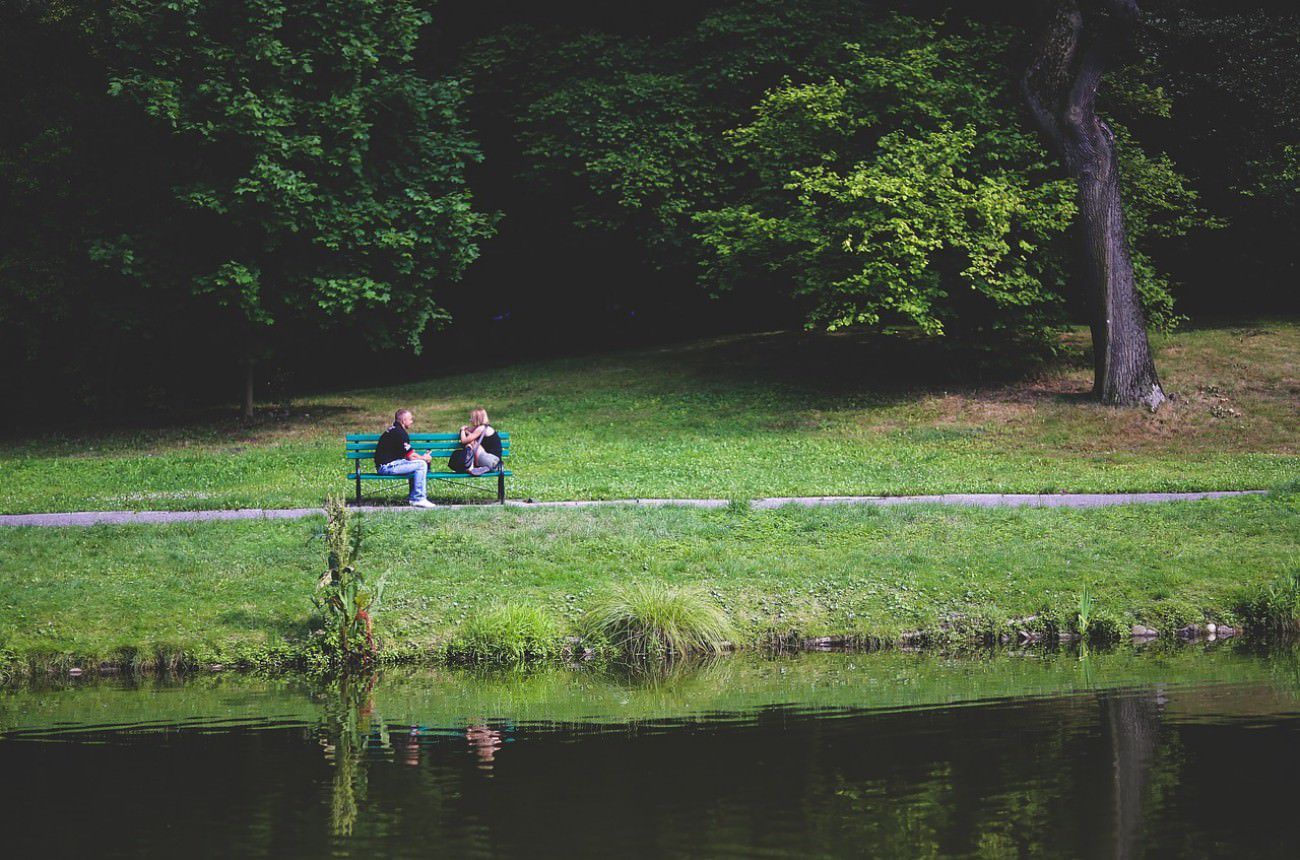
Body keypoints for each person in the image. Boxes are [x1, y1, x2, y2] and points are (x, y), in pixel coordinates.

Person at [374, 409, 436, 508]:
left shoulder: (394, 430)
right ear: (403, 420)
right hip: (387, 467)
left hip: (389, 465)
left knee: (418, 463)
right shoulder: (400, 433)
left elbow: (409, 453)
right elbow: (410, 457)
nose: (412, 421)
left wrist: (420, 457)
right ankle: (419, 498)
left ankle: (413, 498)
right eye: (410, 419)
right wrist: (424, 458)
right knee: (421, 465)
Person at [459, 407, 502, 477]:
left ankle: (471, 467)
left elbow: (464, 441)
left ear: (477, 419)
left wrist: (462, 430)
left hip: (491, 460)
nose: (470, 420)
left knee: (471, 443)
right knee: (472, 441)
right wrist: (467, 431)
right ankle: (483, 468)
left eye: (472, 418)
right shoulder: (485, 427)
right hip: (495, 462)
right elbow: (471, 432)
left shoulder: (480, 429)